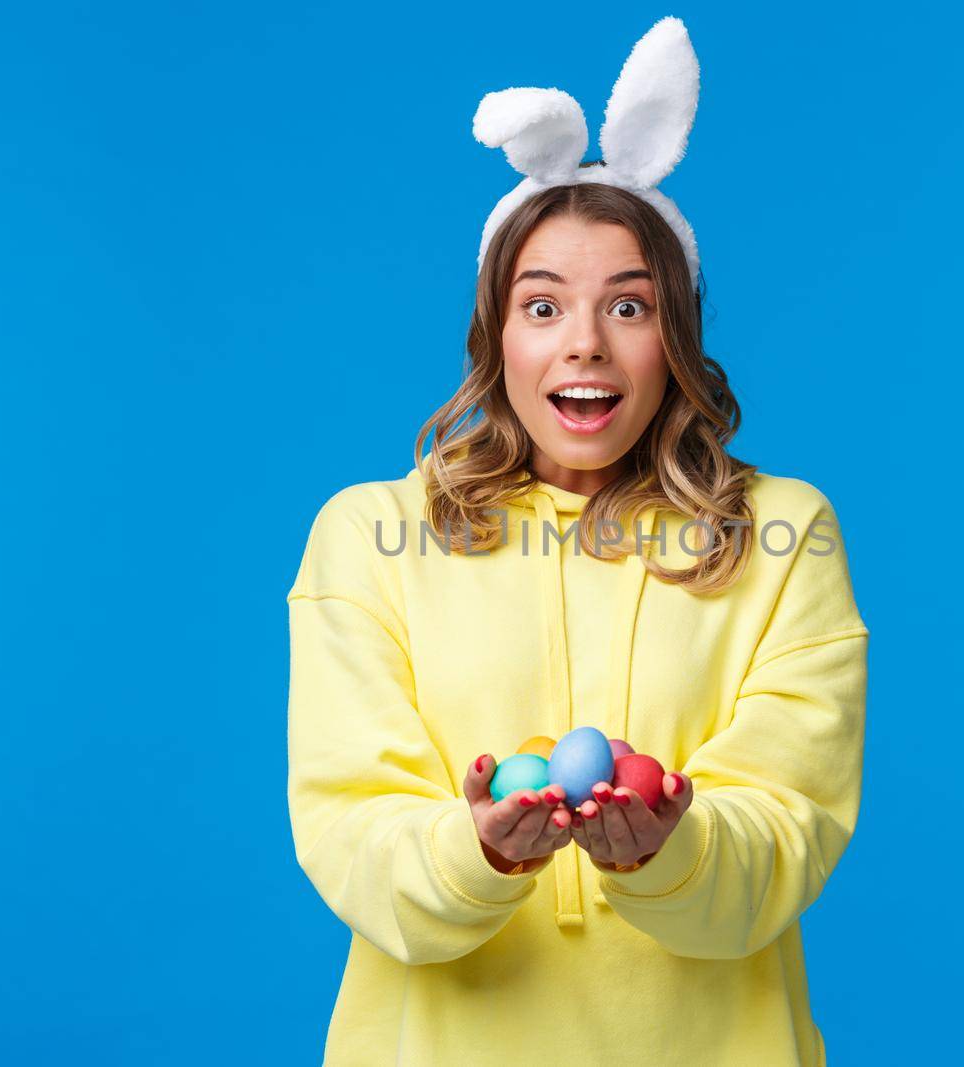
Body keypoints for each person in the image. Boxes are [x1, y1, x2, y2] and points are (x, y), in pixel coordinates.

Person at [286, 18, 868, 1066]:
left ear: (674, 338)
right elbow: (351, 833)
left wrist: (671, 848)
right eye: (541, 303)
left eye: (629, 305)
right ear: (495, 334)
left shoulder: (783, 536)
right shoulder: (371, 537)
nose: (584, 341)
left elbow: (786, 833)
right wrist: (476, 850)